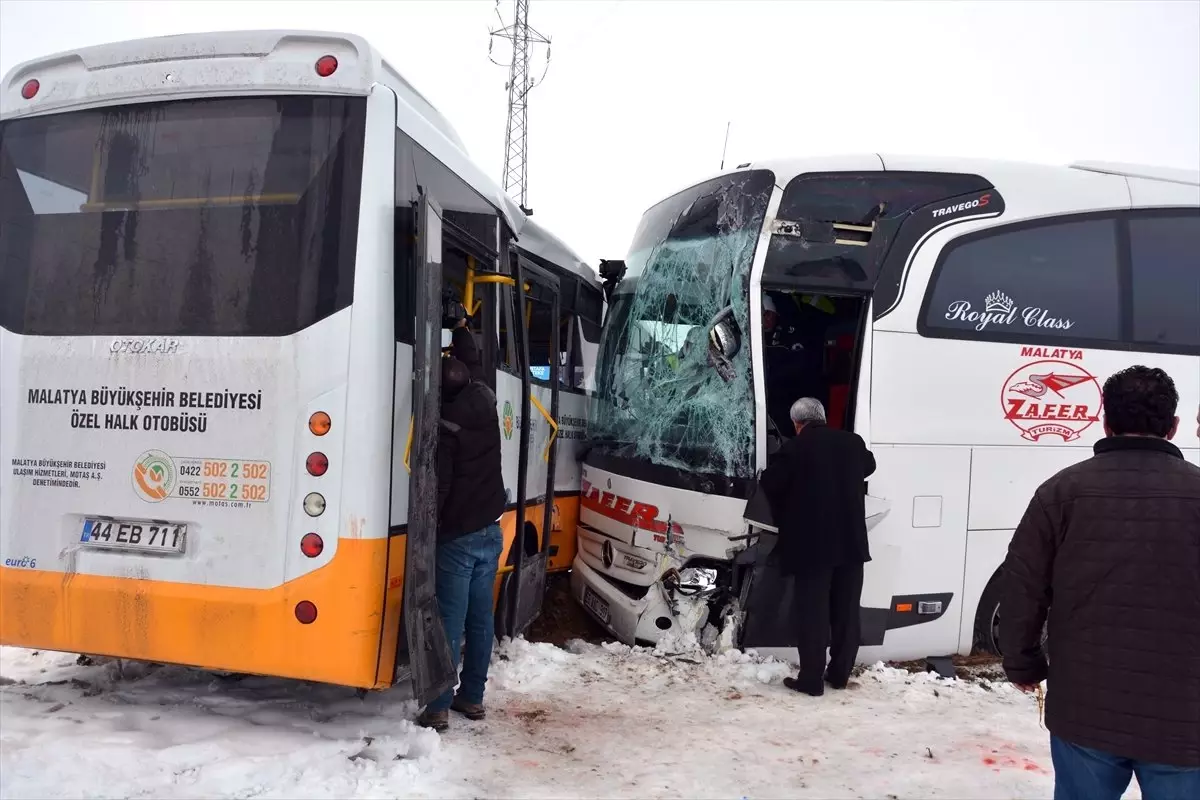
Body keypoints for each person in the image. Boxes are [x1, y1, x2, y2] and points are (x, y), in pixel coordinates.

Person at [1000, 365, 1200, 799]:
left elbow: (1022, 586)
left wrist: (1023, 662)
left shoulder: (1061, 491)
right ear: (1174, 426)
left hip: (1085, 708)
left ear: (1104, 419)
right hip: (1185, 718)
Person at [416, 318, 507, 733]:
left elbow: (441, 492)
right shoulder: (485, 402)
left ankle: (437, 705)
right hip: (491, 529)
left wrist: (432, 530)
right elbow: (474, 362)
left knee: (449, 619)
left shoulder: (447, 429)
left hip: (459, 537)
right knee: (480, 619)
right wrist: (462, 330)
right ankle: (472, 698)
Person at [759, 397, 876, 696]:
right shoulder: (852, 443)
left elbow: (770, 483)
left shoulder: (794, 449)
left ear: (797, 424)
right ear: (823, 417)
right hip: (851, 545)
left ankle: (811, 680)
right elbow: (869, 465)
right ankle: (838, 675)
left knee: (813, 614)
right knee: (846, 613)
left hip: (812, 549)